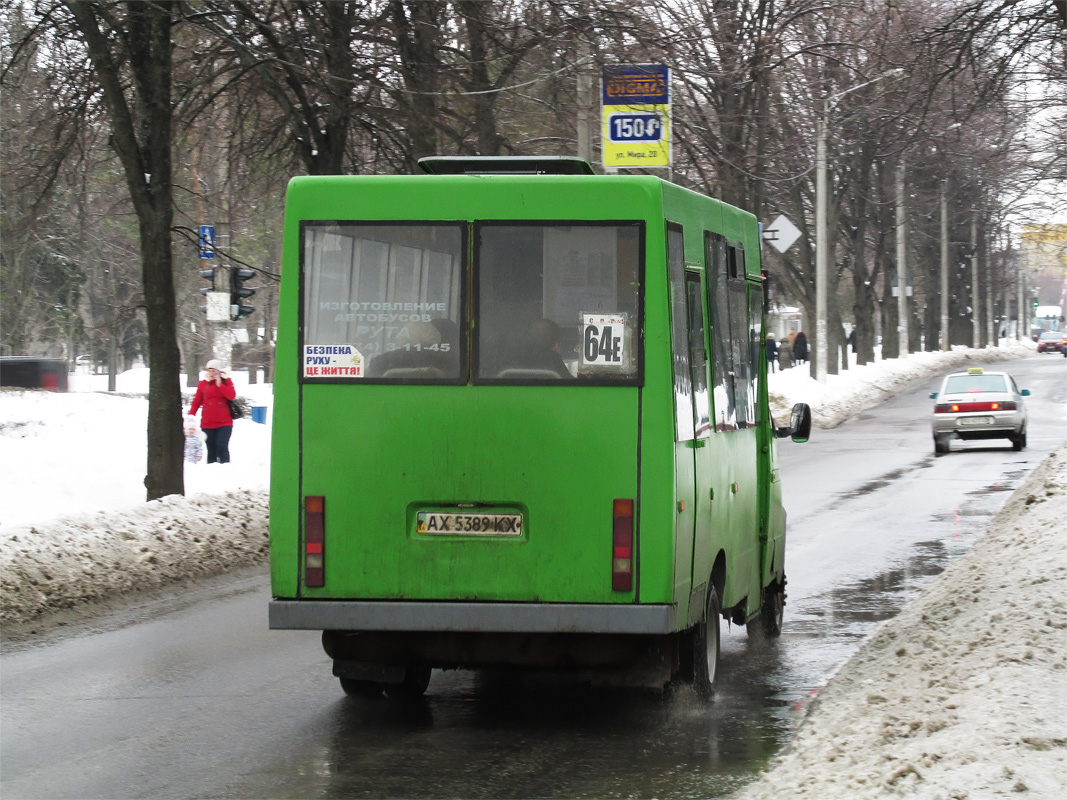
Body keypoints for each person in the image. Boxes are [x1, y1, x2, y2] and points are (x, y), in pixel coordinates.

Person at [189, 359, 236, 463]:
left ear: (219, 371)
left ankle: (225, 467)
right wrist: (191, 414)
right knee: (211, 449)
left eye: (214, 370)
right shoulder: (203, 383)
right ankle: (211, 470)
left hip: (224, 422)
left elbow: (231, 395)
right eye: (209, 370)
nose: (211, 373)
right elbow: (197, 400)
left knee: (222, 446)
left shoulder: (226, 381)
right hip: (207, 423)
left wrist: (220, 385)